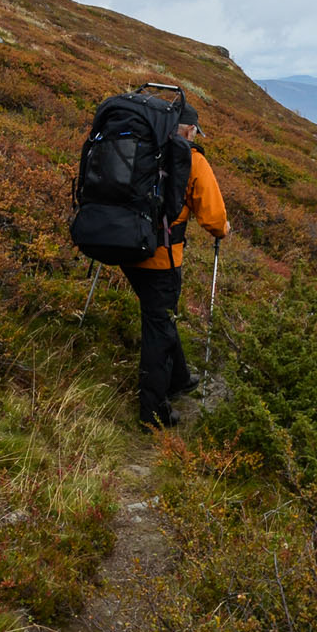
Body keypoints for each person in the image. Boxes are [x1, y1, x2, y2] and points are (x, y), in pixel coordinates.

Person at [124, 103, 228, 429]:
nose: (195, 135)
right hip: (162, 259)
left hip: (125, 248)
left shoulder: (137, 146)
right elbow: (213, 218)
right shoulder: (191, 159)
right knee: (158, 324)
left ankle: (180, 377)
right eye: (195, 130)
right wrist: (223, 229)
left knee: (159, 315)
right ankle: (153, 413)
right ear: (187, 129)